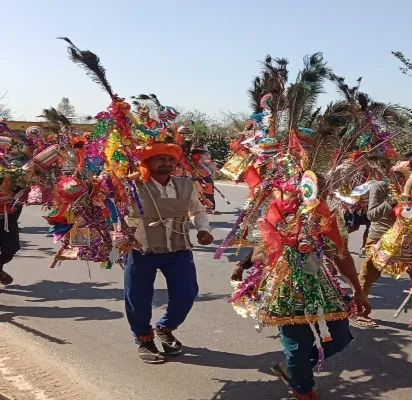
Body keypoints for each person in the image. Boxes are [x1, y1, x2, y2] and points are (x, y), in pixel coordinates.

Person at [229, 172, 370, 400]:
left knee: (340, 338)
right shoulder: (274, 214)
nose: (317, 191)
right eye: (312, 186)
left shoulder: (328, 216)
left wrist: (358, 290)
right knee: (298, 348)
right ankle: (302, 388)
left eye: (320, 187)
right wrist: (285, 243)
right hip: (285, 288)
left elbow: (341, 255)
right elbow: (257, 256)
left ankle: (291, 368)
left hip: (323, 286)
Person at [124, 142, 214, 364]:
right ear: (147, 161)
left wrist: (203, 229)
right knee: (138, 297)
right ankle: (144, 339)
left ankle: (165, 327)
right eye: (160, 158)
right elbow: (116, 211)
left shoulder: (185, 185)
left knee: (187, 293)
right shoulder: (131, 186)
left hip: (179, 248)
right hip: (141, 249)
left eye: (171, 159)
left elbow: (197, 210)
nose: (166, 163)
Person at [353, 152, 412, 327]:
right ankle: (359, 311)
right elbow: (372, 215)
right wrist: (394, 200)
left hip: (410, 239)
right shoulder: (381, 186)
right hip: (381, 237)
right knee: (367, 276)